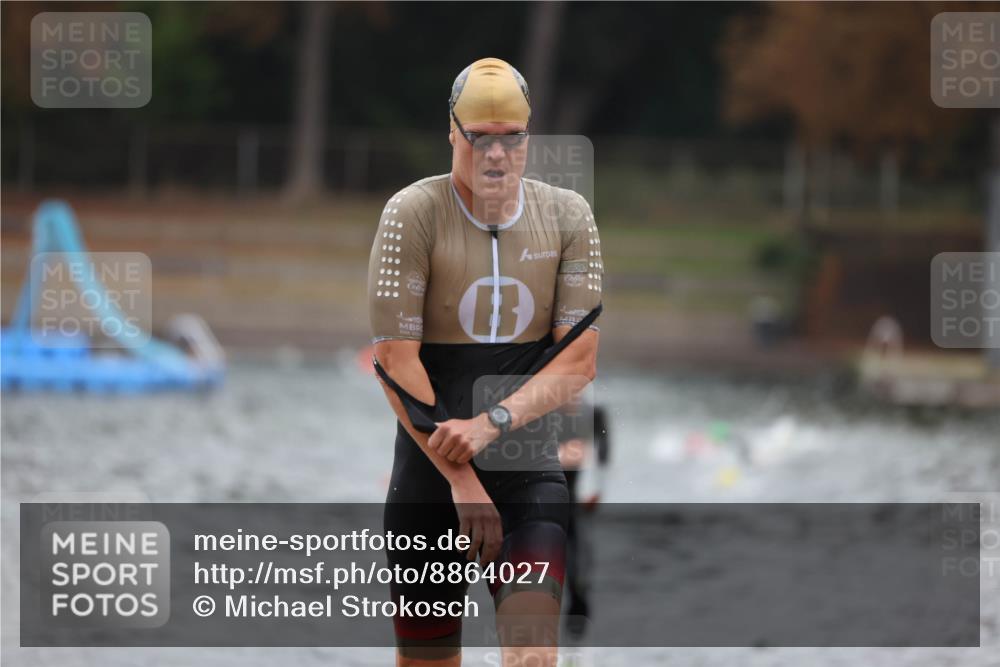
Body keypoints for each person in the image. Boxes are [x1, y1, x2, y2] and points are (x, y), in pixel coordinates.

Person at [368, 57, 604, 667]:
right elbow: (395, 361)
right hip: (428, 482)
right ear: (453, 132)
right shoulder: (411, 214)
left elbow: (577, 363)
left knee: (532, 657)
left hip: (528, 474)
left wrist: (491, 425)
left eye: (512, 140)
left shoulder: (569, 216)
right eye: (479, 139)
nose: (496, 156)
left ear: (529, 138)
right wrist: (460, 479)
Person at [554, 401, 611, 637]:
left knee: (580, 560)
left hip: (576, 500)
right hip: (544, 499)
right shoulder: (542, 413)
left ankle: (578, 614)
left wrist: (597, 488)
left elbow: (604, 454)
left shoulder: (594, 413)